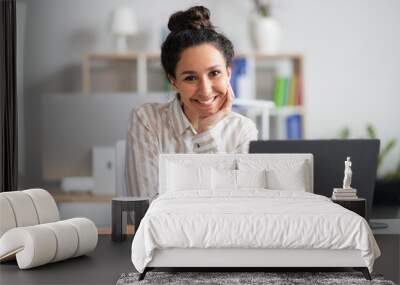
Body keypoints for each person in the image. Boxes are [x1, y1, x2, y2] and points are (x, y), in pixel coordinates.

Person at [125, 6, 258, 197]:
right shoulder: (147, 120)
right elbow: (147, 207)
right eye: (190, 78)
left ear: (229, 73)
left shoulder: (242, 130)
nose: (205, 90)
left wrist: (207, 128)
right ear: (173, 81)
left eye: (214, 73)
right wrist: (207, 130)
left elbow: (236, 208)